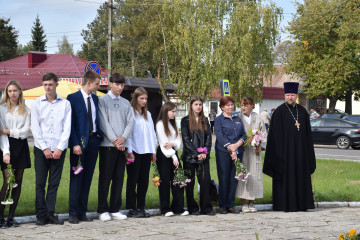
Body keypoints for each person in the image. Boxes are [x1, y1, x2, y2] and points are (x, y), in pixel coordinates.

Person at [263, 82, 316, 212]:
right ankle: (283, 204)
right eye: (288, 95)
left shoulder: (302, 112)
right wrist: (278, 155)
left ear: (296, 95)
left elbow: (308, 135)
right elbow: (274, 137)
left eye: (292, 95)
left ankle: (301, 204)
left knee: (300, 177)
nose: (290, 97)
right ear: (284, 95)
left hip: (300, 155)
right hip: (284, 155)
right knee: (285, 179)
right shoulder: (279, 112)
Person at [31, 73, 71, 225]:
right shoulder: (36, 103)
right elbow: (35, 128)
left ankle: (50, 213)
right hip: (41, 150)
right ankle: (41, 214)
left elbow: (66, 128)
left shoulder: (65, 104)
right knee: (40, 183)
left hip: (59, 150)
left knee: (54, 184)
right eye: (45, 84)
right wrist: (45, 148)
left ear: (56, 85)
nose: (48, 87)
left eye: (50, 84)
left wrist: (60, 148)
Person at [67, 70, 103, 224]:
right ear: (89, 82)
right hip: (79, 145)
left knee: (87, 178)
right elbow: (71, 124)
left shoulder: (95, 99)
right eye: (96, 84)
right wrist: (75, 143)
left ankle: (82, 211)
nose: (97, 86)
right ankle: (73, 213)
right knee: (77, 178)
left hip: (94, 142)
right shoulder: (72, 98)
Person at [97, 73, 133, 221]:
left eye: (122, 85)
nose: (120, 87)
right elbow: (103, 122)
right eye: (117, 84)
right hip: (107, 146)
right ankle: (102, 210)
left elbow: (130, 122)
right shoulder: (102, 101)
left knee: (119, 178)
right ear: (109, 84)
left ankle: (115, 208)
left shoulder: (126, 103)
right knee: (105, 178)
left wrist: (123, 138)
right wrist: (114, 140)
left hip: (122, 147)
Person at [0, 80, 31, 227]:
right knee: (8, 182)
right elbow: (0, 134)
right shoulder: (1, 109)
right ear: (6, 92)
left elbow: (25, 133)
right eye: (9, 91)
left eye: (14, 90)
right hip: (6, 146)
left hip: (21, 147)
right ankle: (0, 216)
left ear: (19, 91)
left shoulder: (26, 109)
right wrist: (6, 152)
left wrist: (8, 131)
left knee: (17, 183)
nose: (12, 93)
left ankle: (11, 217)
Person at [126, 87, 157, 218]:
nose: (144, 101)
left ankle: (141, 207)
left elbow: (152, 133)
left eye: (146, 99)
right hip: (135, 151)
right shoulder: (131, 113)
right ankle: (132, 208)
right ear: (136, 98)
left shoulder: (148, 114)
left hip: (146, 151)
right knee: (133, 180)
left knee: (144, 181)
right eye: (141, 98)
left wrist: (153, 150)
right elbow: (129, 133)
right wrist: (129, 150)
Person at [181, 96, 215, 216]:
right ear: (191, 106)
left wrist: (204, 153)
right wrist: (196, 154)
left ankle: (206, 208)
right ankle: (192, 208)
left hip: (203, 157)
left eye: (200, 104)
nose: (198, 107)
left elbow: (209, 139)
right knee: (190, 183)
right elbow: (186, 140)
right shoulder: (185, 120)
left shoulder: (205, 120)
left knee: (205, 182)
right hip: (189, 157)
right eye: (196, 104)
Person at [155, 102, 188, 217]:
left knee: (178, 181)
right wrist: (174, 156)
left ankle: (178, 207)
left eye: (175, 111)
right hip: (164, 155)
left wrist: (173, 143)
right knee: (164, 181)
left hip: (174, 153)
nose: (175, 113)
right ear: (166, 111)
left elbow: (179, 142)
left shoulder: (174, 124)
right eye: (173, 111)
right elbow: (164, 144)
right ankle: (165, 209)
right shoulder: (160, 124)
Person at [214, 96, 246, 214]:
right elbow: (219, 135)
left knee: (234, 179)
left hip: (238, 152)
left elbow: (243, 135)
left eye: (232, 104)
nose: (230, 107)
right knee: (224, 178)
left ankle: (230, 205)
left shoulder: (237, 119)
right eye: (227, 105)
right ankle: (222, 206)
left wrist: (237, 145)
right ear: (222, 107)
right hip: (223, 153)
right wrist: (230, 148)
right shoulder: (218, 120)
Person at [235, 97, 266, 213]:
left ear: (252, 106)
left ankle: (252, 202)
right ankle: (243, 203)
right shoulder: (237, 118)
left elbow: (264, 133)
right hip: (242, 151)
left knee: (254, 175)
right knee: (243, 175)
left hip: (254, 151)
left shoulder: (258, 118)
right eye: (242, 105)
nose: (243, 107)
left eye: (246, 105)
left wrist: (260, 146)